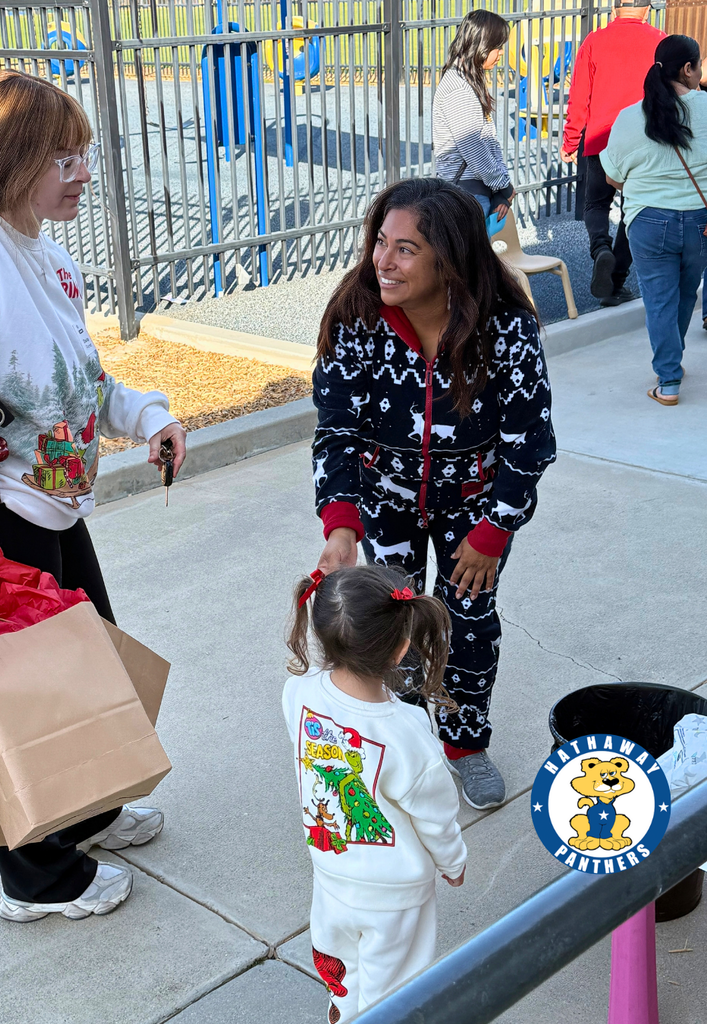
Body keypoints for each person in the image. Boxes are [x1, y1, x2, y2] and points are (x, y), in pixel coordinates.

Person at [0, 70, 186, 921]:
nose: (84, 171)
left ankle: (84, 810)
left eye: (85, 152)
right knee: (23, 697)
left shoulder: (45, 254)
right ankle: (38, 880)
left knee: (83, 668)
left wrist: (148, 414)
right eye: (64, 156)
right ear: (11, 158)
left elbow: (82, 379)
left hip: (52, 504)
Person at [311, 177, 556, 811]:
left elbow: (531, 440)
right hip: (384, 502)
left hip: (474, 511)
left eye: (406, 249)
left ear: (448, 258)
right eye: (381, 243)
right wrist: (341, 522)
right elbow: (336, 428)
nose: (382, 262)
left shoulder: (503, 328)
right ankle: (405, 731)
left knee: (467, 621)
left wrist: (494, 531)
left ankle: (463, 743)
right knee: (392, 619)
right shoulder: (356, 320)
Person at [282, 564, 467, 1024]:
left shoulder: (297, 694)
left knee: (342, 976)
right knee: (395, 998)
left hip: (331, 873)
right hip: (396, 898)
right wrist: (454, 862)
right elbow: (436, 814)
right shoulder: (407, 731)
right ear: (401, 647)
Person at [601, 36, 707, 406]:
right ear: (688, 68)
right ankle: (671, 363)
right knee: (684, 294)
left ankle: (669, 378)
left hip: (649, 223)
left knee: (660, 300)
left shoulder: (632, 117)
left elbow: (612, 177)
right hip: (700, 222)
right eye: (699, 64)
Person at [561, 0, 665, 305]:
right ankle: (616, 281)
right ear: (646, 10)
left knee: (595, 204)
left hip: (600, 139)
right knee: (637, 210)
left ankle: (600, 249)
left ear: (614, 10)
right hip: (646, 142)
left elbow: (579, 96)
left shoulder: (594, 41)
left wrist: (570, 142)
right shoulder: (660, 41)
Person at [432, 9, 514, 224]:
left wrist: (498, 190)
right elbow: (473, 147)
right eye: (497, 47)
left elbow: (488, 142)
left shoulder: (468, 81)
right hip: (466, 196)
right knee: (468, 258)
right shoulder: (458, 88)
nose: (501, 53)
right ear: (482, 45)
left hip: (476, 191)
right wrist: (503, 186)